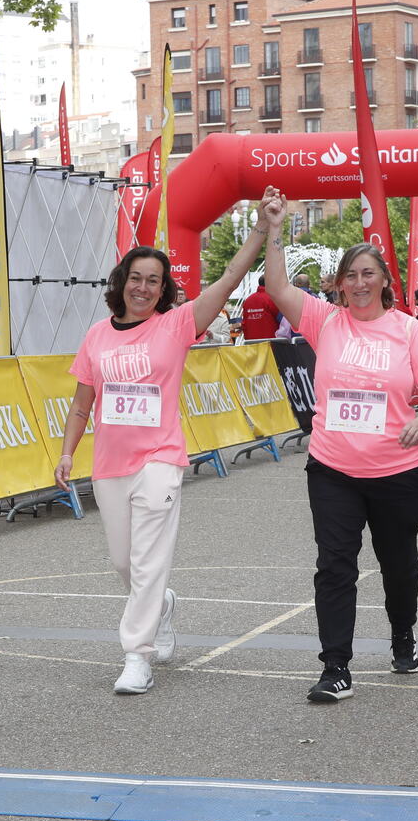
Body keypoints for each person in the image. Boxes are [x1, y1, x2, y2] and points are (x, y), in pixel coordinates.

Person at [54, 187, 279, 695]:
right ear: (122, 282)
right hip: (110, 464)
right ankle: (163, 604)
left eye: (153, 281)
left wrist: (261, 228)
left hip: (160, 459)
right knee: (124, 563)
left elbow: (228, 278)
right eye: (136, 278)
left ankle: (137, 655)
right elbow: (81, 404)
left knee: (149, 559)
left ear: (163, 289)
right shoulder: (97, 336)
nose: (143, 288)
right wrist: (67, 453)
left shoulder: (176, 326)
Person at [259, 188, 418, 703]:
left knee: (398, 565)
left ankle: (403, 634)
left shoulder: (407, 330)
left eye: (369, 274)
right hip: (333, 470)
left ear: (385, 281)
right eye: (351, 276)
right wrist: (275, 227)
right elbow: (276, 286)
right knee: (334, 565)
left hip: (397, 472)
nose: (360, 283)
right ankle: (336, 668)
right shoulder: (325, 320)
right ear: (340, 284)